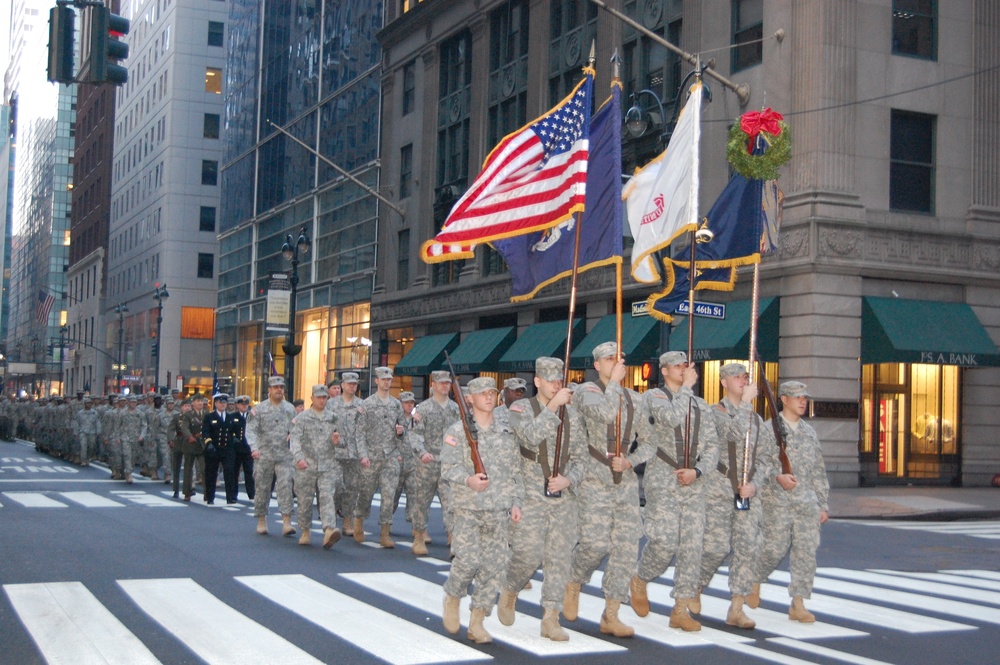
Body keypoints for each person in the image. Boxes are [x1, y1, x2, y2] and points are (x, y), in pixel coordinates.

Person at [631, 351, 720, 632]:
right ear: (666, 370)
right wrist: (685, 390)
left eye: (686, 366)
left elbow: (712, 446)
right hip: (663, 478)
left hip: (693, 483)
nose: (685, 370)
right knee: (665, 541)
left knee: (692, 548)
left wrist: (698, 471)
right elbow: (670, 418)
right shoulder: (654, 398)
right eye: (679, 367)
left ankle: (680, 610)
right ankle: (640, 578)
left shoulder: (700, 406)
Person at [499, 356, 585, 642]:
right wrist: (553, 407)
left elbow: (582, 457)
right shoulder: (521, 408)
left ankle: (551, 617)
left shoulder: (572, 415)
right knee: (527, 555)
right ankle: (510, 588)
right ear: (537, 381)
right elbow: (530, 437)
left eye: (559, 380)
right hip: (530, 493)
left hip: (562, 496)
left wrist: (569, 478)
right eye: (549, 380)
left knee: (559, 559)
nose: (555, 385)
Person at [564, 342, 642, 638]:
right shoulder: (586, 393)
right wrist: (616, 385)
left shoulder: (634, 398)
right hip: (594, 478)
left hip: (625, 483)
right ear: (597, 365)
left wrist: (632, 459)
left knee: (625, 548)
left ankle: (611, 613)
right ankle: (574, 579)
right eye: (609, 359)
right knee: (595, 545)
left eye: (619, 358)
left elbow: (649, 441)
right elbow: (607, 414)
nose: (615, 363)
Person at [441, 377, 523, 644]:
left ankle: (477, 620)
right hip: (468, 508)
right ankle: (453, 595)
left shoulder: (507, 431)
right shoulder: (457, 431)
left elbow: (516, 471)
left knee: (494, 567)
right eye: (482, 393)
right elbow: (448, 468)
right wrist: (469, 480)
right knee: (467, 562)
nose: (489, 397)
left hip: (498, 509)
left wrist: (517, 502)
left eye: (492, 393)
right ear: (470, 398)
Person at [701, 362, 776, 629]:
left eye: (745, 377)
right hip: (719, 490)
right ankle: (694, 587)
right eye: (736, 377)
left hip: (747, 493)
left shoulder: (757, 420)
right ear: (724, 382)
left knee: (747, 548)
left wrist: (755, 483)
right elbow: (731, 435)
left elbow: (767, 458)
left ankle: (736, 607)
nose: (742, 381)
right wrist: (745, 404)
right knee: (715, 548)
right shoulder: (714, 413)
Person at [751, 381, 830, 623]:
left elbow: (818, 469)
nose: (802, 401)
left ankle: (798, 602)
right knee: (774, 547)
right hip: (777, 499)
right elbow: (756, 464)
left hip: (806, 500)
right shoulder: (767, 429)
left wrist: (822, 502)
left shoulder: (809, 432)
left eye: (804, 397)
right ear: (784, 399)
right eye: (797, 397)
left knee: (806, 551)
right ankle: (753, 579)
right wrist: (777, 476)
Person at [354, 366, 406, 548]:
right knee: (366, 493)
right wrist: (363, 455)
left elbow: (403, 428)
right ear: (376, 381)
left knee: (389, 495)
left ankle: (385, 531)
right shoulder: (367, 405)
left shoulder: (396, 404)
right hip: (371, 456)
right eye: (383, 379)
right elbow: (359, 433)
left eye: (389, 379)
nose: (387, 382)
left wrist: (401, 432)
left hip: (390, 456)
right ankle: (359, 520)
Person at [409, 370, 460, 554]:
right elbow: (414, 434)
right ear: (434, 385)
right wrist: (422, 452)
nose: (445, 386)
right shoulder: (423, 409)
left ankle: (453, 537)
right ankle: (419, 535)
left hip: (448, 463)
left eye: (447, 383)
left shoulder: (456, 408)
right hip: (427, 463)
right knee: (422, 501)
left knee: (451, 503)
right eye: (441, 383)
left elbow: (462, 435)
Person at [291, 385, 343, 549]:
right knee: (305, 500)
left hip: (327, 465)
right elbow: (295, 441)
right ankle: (305, 530)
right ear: (312, 398)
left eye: (324, 397)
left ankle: (329, 529)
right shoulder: (302, 418)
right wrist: (299, 458)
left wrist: (338, 441)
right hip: (306, 465)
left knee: (327, 497)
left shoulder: (334, 418)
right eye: (319, 397)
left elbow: (343, 440)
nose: (322, 400)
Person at [247, 376, 298, 536]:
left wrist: (294, 437)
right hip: (264, 455)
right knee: (262, 488)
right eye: (275, 387)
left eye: (281, 387)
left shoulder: (290, 409)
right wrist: (254, 448)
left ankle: (287, 522)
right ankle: (262, 520)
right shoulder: (259, 409)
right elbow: (251, 430)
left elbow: (296, 428)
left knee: (285, 487)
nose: (279, 390)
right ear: (269, 389)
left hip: (284, 455)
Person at [329, 372, 365, 536]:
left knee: (352, 488)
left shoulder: (362, 405)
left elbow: (366, 430)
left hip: (354, 454)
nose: (352, 386)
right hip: (335, 454)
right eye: (349, 383)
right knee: (336, 485)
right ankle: (331, 519)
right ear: (342, 385)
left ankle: (347, 520)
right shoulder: (331, 404)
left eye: (355, 384)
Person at [392, 391, 426, 551]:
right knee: (394, 494)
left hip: (412, 462)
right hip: (398, 461)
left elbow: (419, 435)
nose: (409, 405)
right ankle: (387, 520)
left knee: (414, 494)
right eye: (406, 402)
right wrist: (395, 454)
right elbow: (388, 439)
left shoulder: (415, 419)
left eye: (411, 403)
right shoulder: (394, 419)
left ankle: (416, 527)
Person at [202, 393, 245, 504]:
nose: (223, 405)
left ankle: (230, 497)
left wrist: (235, 439)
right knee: (211, 473)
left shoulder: (231, 417)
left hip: (227, 449)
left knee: (230, 472)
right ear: (216, 403)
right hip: (214, 448)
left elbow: (235, 431)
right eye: (221, 402)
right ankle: (210, 497)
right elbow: (205, 432)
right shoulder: (209, 417)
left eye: (224, 402)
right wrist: (208, 443)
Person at [177, 394, 208, 501]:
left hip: (202, 444)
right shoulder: (188, 415)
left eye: (201, 401)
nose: (200, 403)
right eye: (198, 401)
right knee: (188, 469)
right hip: (191, 444)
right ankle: (187, 492)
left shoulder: (206, 414)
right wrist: (189, 436)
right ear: (193, 403)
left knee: (205, 469)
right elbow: (184, 427)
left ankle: (207, 492)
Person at [233, 395, 256, 500]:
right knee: (234, 472)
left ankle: (251, 493)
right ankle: (233, 494)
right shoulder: (233, 416)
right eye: (242, 404)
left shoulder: (252, 416)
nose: (244, 406)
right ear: (237, 405)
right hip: (236, 448)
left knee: (250, 471)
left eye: (246, 404)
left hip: (248, 448)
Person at [169, 399, 192, 499]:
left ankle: (188, 489)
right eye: (185, 406)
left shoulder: (194, 417)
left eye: (189, 406)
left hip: (190, 442)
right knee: (176, 467)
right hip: (178, 441)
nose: (187, 408)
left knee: (189, 467)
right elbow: (170, 429)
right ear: (181, 407)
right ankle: (176, 489)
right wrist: (170, 440)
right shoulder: (176, 417)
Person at [73, 397, 101, 467]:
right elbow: (76, 423)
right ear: (85, 404)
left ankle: (88, 458)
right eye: (87, 403)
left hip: (92, 432)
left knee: (91, 446)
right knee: (83, 446)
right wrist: (75, 432)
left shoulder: (95, 413)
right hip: (83, 431)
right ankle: (83, 460)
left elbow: (98, 422)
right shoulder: (80, 413)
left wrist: (98, 431)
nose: (89, 405)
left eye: (90, 404)